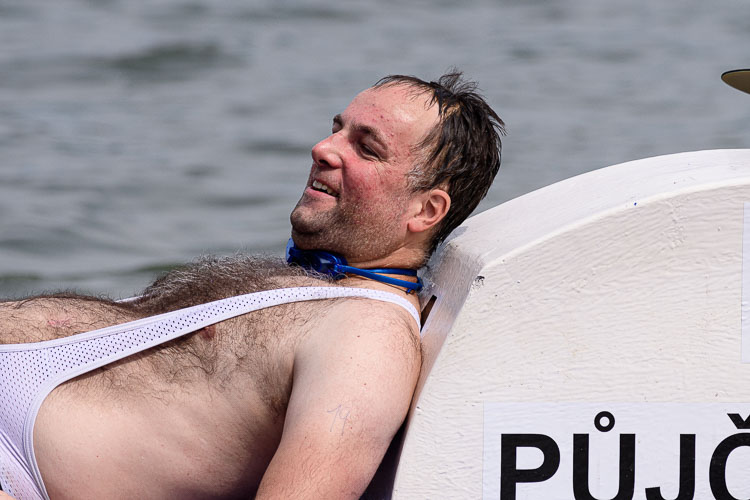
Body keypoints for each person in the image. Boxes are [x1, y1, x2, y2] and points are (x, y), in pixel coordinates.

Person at [0, 71, 504, 500]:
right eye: (337, 129)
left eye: (366, 148)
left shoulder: (370, 340)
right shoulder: (322, 287)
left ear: (425, 210)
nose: (324, 149)